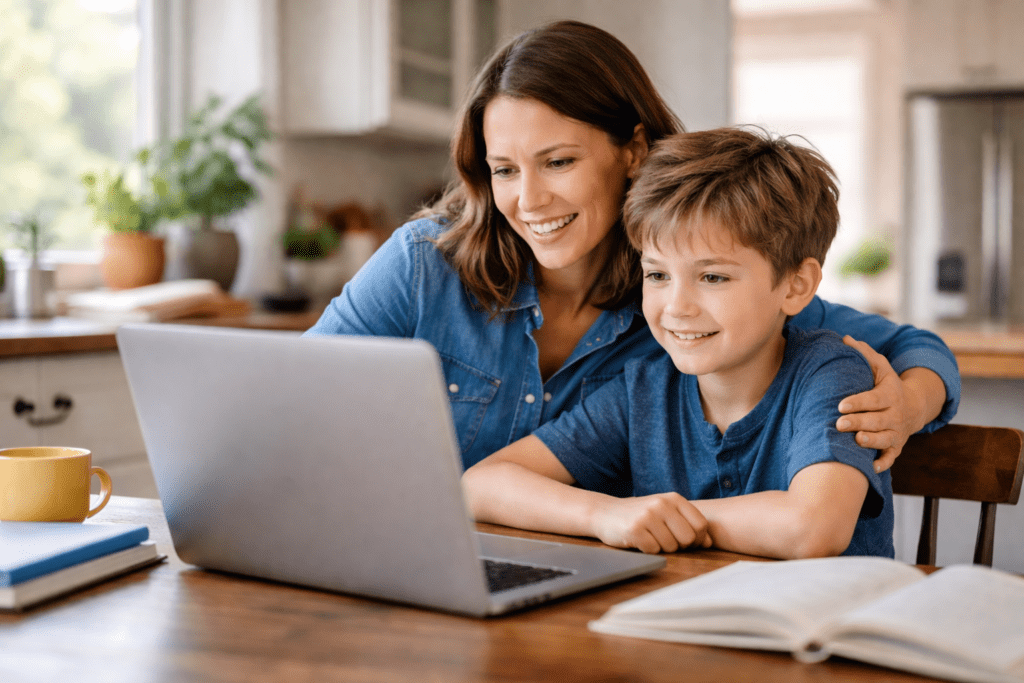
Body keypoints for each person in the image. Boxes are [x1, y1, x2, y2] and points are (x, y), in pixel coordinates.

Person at [304, 20, 959, 479]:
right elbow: (294, 400)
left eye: (557, 161)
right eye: (504, 169)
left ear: (634, 151)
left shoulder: (685, 298)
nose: (528, 200)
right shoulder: (424, 264)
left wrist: (909, 403)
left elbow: (913, 349)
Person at [463, 128, 893, 559]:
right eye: (657, 275)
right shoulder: (644, 391)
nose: (677, 306)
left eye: (712, 277)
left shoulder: (831, 373)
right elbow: (480, 484)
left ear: (796, 286)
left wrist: (661, 516)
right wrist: (606, 515)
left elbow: (813, 527)